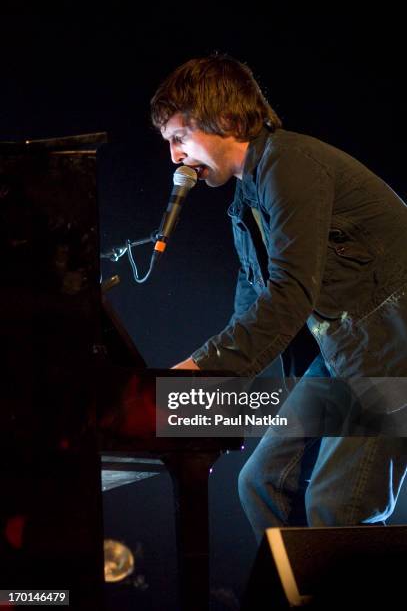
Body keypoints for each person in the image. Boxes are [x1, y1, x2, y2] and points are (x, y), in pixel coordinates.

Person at [150, 54, 407, 541]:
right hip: (349, 355)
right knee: (262, 482)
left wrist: (202, 370)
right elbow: (252, 313)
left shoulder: (291, 164)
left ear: (225, 121)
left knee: (336, 502)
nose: (174, 158)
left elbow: (291, 294)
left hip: (393, 351)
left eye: (179, 138)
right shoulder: (246, 204)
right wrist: (202, 392)